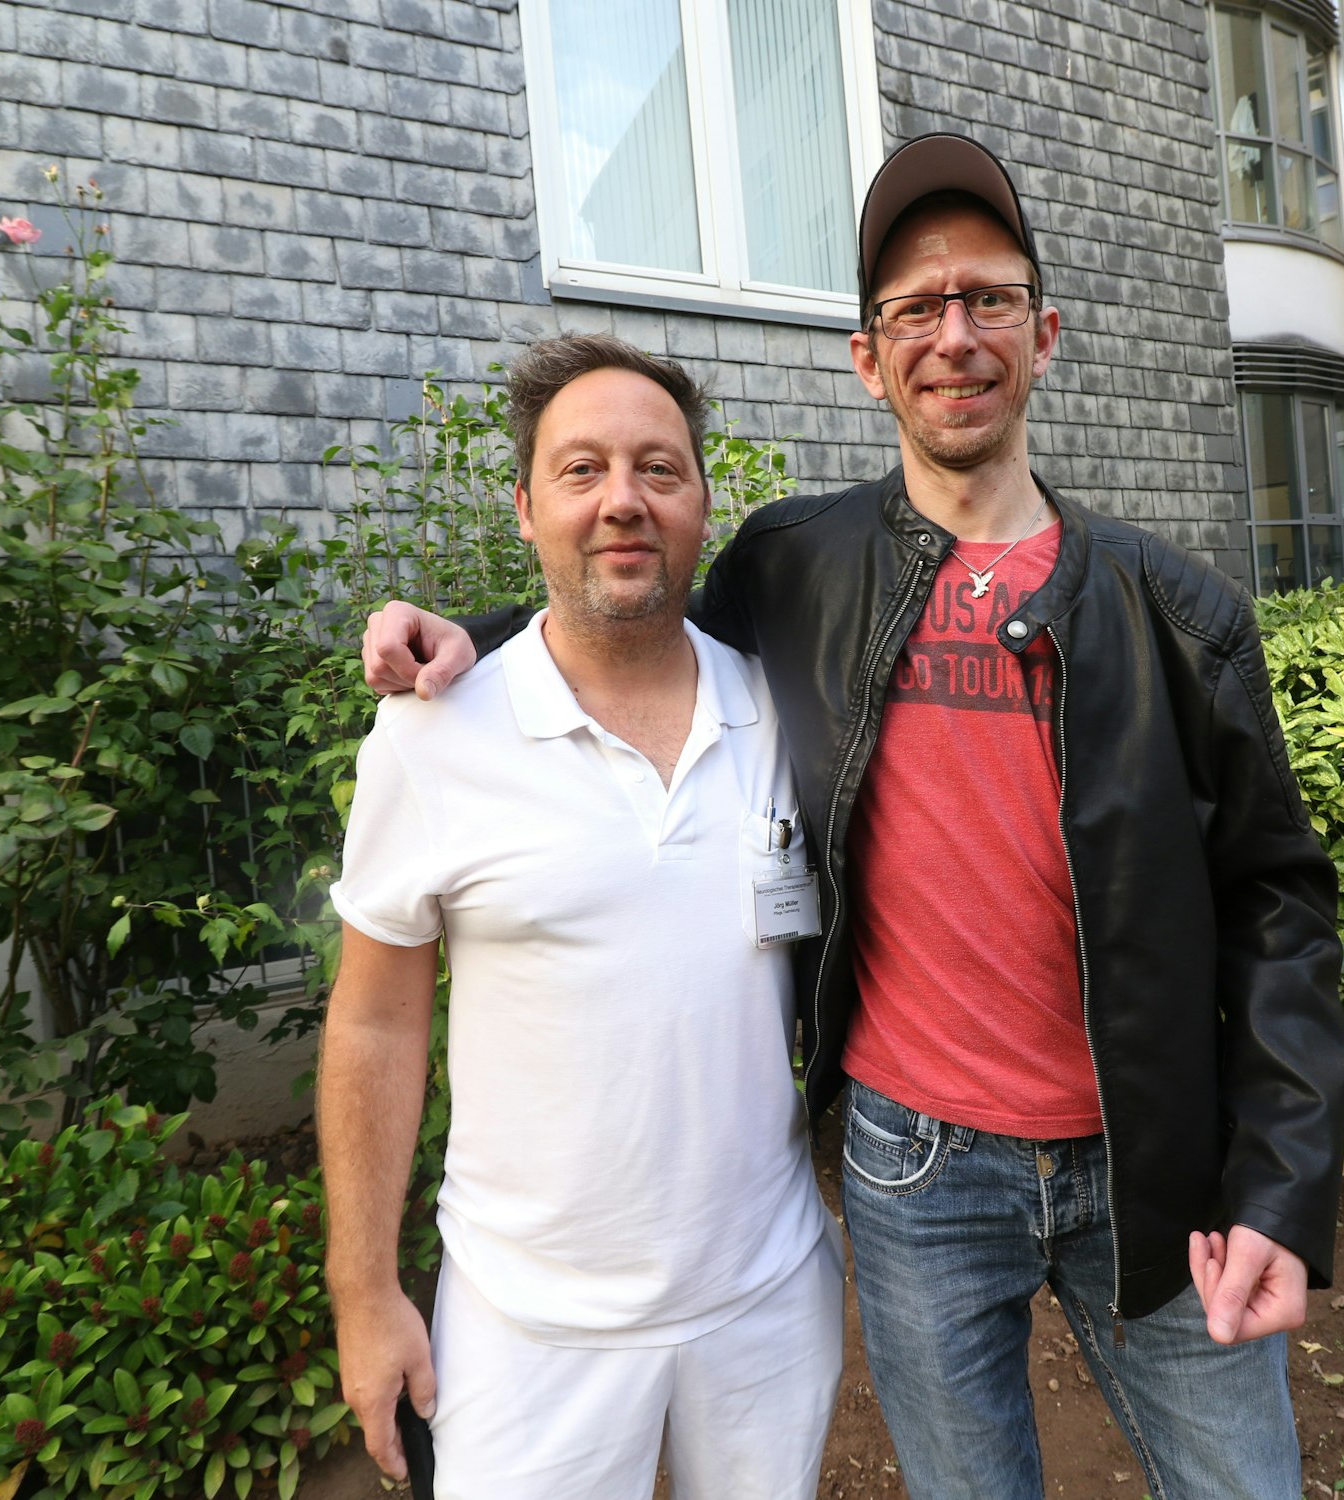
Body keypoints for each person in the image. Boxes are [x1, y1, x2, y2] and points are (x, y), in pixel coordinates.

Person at [362, 132, 1344, 1499]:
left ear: (1045, 334)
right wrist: (457, 644)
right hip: (916, 1176)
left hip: (1159, 1162)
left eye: (988, 299)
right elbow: (621, 630)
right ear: (866, 355)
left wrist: (1282, 1186)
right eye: (915, 309)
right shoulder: (800, 565)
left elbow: (1279, 907)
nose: (955, 336)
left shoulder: (1177, 613)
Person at [320, 333, 842, 1500]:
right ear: (523, 508)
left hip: (763, 1302)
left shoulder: (782, 713)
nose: (622, 501)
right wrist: (364, 1296)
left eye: (659, 470)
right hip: (526, 1330)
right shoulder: (433, 735)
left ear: (703, 505)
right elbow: (372, 1027)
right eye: (580, 470)